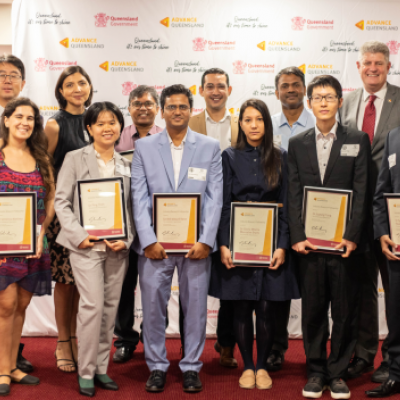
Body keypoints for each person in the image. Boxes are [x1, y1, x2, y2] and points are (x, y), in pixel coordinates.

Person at [131, 84, 223, 393]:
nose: (177, 112)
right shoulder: (144, 147)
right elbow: (138, 196)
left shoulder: (209, 146)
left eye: (183, 106)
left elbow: (214, 198)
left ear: (191, 109)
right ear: (161, 110)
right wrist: (147, 240)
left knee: (195, 307)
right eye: (171, 107)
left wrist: (206, 240)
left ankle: (191, 367)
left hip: (195, 246)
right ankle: (156, 365)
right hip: (155, 246)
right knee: (153, 307)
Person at [208, 98, 299, 390]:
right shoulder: (229, 157)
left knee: (267, 308)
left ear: (267, 123)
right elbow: (222, 205)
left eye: (259, 119)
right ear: (241, 124)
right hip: (238, 241)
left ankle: (262, 367)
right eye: (247, 120)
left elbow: (286, 207)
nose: (254, 125)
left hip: (270, 243)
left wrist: (283, 245)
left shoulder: (282, 156)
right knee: (241, 307)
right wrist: (223, 245)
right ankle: (247, 365)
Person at [288, 75, 370, 399]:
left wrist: (352, 236)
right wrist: (296, 235)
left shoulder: (357, 139)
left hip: (344, 246)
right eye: (318, 97)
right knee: (313, 311)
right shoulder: (298, 143)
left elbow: (361, 191)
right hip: (309, 244)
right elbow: (293, 192)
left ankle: (337, 373)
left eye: (330, 97)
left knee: (344, 311)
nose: (323, 102)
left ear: (339, 102)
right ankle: (316, 370)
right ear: (309, 103)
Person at [54, 102, 135, 397]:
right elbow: (61, 201)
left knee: (110, 308)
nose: (106, 128)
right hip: (85, 247)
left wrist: (125, 239)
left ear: (120, 127)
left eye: (112, 122)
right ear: (89, 128)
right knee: (92, 307)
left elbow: (133, 208)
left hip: (116, 248)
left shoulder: (127, 163)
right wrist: (78, 235)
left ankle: (102, 368)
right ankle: (86, 371)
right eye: (99, 123)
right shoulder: (75, 158)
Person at [339, 41, 400, 383]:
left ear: (388, 66)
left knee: (395, 289)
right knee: (361, 287)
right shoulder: (346, 103)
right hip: (354, 211)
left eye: (379, 62)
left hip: (393, 214)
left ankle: (394, 357)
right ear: (358, 67)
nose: (373, 68)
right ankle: (363, 354)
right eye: (367, 63)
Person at [0, 97, 55, 395]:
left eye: (31, 118)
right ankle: (1, 370)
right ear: (6, 119)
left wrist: (41, 232)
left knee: (21, 305)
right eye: (18, 116)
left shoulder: (41, 158)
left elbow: (51, 200)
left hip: (34, 244)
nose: (24, 122)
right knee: (5, 306)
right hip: (2, 246)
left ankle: (11, 366)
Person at [188, 67, 238, 368]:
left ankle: (227, 343)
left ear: (229, 90)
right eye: (210, 86)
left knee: (231, 284)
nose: (215, 91)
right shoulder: (189, 123)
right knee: (191, 285)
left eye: (221, 86)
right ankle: (186, 348)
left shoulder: (241, 124)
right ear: (202, 91)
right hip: (195, 214)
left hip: (232, 213)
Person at [44, 65, 93, 373]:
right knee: (64, 282)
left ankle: (77, 337)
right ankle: (63, 341)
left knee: (83, 282)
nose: (78, 88)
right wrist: (53, 209)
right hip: (64, 215)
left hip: (94, 214)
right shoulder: (54, 125)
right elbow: (45, 170)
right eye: (70, 84)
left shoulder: (95, 120)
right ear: (61, 91)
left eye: (82, 83)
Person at [267, 66, 315, 372]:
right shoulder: (267, 126)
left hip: (315, 219)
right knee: (279, 289)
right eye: (285, 86)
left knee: (314, 290)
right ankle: (276, 347)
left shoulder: (320, 122)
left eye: (296, 85)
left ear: (304, 89)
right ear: (276, 92)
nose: (291, 90)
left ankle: (315, 354)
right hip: (278, 217)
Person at [112, 85, 162, 363]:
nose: (143, 107)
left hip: (157, 227)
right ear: (128, 108)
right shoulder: (115, 139)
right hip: (122, 224)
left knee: (156, 288)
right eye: (137, 103)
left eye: (149, 103)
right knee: (123, 286)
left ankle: (152, 337)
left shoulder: (167, 139)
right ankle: (125, 339)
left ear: (157, 109)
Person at [0, 54, 34, 374]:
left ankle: (10, 359)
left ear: (23, 82)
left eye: (14, 75)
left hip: (20, 231)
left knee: (15, 302)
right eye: (1, 74)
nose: (7, 80)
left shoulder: (29, 122)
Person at [366, 127, 400, 397]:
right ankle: (397, 373)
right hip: (396, 244)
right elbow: (381, 193)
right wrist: (383, 233)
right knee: (396, 310)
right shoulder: (393, 137)